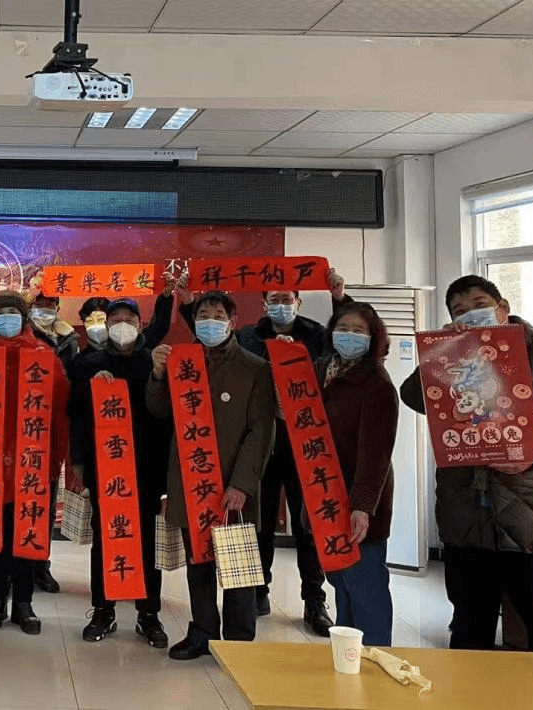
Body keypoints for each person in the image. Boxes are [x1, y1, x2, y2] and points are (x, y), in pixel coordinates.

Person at [400, 274, 533, 653]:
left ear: (502, 308)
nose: (471, 315)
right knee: (470, 633)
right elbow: (412, 395)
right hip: (467, 520)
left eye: (479, 306)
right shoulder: (453, 357)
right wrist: (442, 349)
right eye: (460, 311)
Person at [176, 268, 348, 635]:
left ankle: (314, 599)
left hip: (303, 446)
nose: (281, 304)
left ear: (298, 302)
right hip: (258, 449)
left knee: (307, 525)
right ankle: (260, 591)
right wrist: (189, 306)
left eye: (287, 298)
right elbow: (213, 343)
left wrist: (338, 300)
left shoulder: (316, 335)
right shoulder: (249, 337)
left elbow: (343, 348)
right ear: (264, 303)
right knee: (259, 525)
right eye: (274, 299)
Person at [147, 290, 275, 660]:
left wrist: (242, 484)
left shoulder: (254, 367)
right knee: (199, 562)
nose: (210, 321)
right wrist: (157, 375)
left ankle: (238, 642)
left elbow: (261, 432)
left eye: (218, 315)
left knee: (238, 567)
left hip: (233, 486)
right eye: (203, 315)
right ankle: (202, 632)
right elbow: (157, 410)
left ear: (232, 322)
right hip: (191, 482)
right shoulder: (181, 362)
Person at [0, 291, 69, 635]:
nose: (7, 317)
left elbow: (60, 410)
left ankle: (24, 603)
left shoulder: (44, 356)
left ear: (24, 318)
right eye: (1, 312)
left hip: (31, 461)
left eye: (13, 311)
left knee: (27, 529)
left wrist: (56, 458)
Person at [69, 298, 169, 649]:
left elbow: (166, 415)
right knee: (106, 536)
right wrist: (78, 461)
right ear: (107, 325)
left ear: (141, 325)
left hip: (147, 466)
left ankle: (148, 613)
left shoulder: (153, 361)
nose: (123, 325)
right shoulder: (88, 363)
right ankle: (103, 609)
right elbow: (75, 414)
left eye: (130, 319)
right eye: (116, 320)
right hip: (105, 465)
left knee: (146, 540)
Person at [317, 302, 398, 646]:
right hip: (326, 495)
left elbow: (376, 454)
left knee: (366, 586)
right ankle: (349, 657)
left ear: (373, 337)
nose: (349, 335)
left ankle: (376, 655)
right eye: (343, 328)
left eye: (358, 330)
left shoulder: (376, 384)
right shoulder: (323, 371)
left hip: (360, 500)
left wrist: (362, 506)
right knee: (342, 582)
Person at [25, 290, 79, 594]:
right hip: (22, 427)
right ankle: (16, 566)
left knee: (45, 500)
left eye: (50, 305)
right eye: (40, 305)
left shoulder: (68, 339)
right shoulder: (22, 334)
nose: (45, 310)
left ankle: (40, 565)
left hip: (52, 428)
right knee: (19, 501)